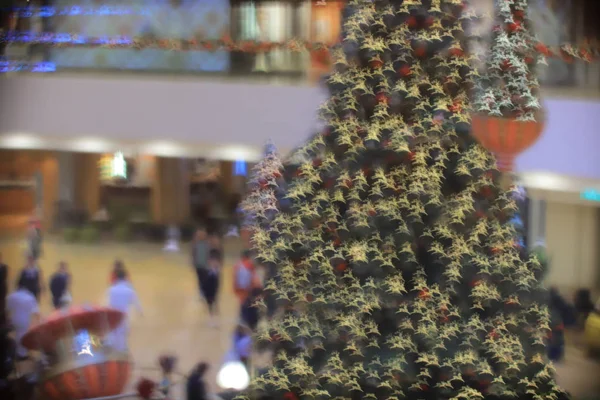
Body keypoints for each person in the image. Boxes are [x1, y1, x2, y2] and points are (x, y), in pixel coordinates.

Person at [106, 267, 143, 352]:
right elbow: (137, 304)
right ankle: (121, 354)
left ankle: (111, 352)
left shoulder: (111, 290)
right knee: (122, 339)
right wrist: (141, 313)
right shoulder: (129, 290)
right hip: (123, 317)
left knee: (112, 336)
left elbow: (107, 304)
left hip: (113, 316)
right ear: (126, 278)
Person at [6, 280, 40, 359]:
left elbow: (6, 309)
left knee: (16, 337)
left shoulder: (11, 296)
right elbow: (36, 312)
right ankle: (22, 356)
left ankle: (16, 354)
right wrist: (37, 322)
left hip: (13, 320)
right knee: (22, 338)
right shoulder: (29, 296)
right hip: (25, 321)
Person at [201, 250, 221, 327]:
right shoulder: (206, 271)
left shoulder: (217, 272)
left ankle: (214, 319)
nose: (214, 263)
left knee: (214, 305)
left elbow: (218, 283)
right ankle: (211, 319)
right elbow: (204, 283)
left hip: (214, 291)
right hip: (208, 291)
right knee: (210, 305)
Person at [192, 228, 210, 301]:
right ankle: (201, 292)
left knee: (205, 279)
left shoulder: (207, 244)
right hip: (198, 265)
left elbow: (209, 254)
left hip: (205, 265)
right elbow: (193, 254)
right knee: (200, 279)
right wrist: (193, 263)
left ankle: (206, 292)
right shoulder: (195, 244)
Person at [0, 253, 8, 325]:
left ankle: (3, 320)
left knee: (2, 304)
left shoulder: (4, 267)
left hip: (2, 289)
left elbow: (3, 277)